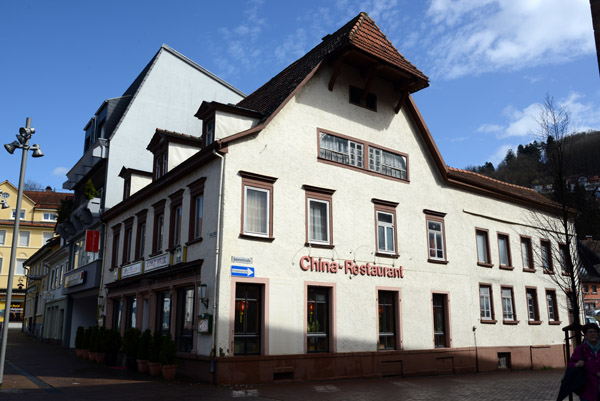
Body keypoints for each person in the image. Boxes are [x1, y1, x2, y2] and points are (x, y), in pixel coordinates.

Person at [568, 323, 600, 401]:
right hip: (588, 390)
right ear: (585, 335)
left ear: (598, 334)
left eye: (594, 332)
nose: (592, 334)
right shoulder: (581, 350)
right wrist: (577, 364)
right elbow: (570, 365)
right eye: (589, 332)